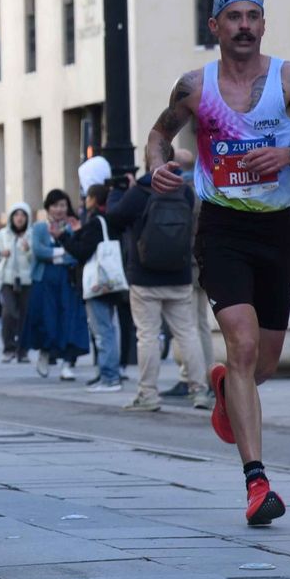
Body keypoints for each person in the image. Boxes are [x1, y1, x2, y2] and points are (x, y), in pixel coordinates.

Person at [147, 0, 290, 526]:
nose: (244, 27)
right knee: (238, 345)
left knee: (260, 365)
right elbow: (158, 135)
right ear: (214, 26)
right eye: (233, 18)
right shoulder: (195, 86)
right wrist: (157, 167)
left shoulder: (289, 79)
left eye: (252, 17)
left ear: (263, 24)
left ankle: (225, 387)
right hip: (220, 229)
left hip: (277, 232)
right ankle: (257, 483)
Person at [107, 147, 210, 412]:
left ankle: (148, 395)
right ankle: (200, 391)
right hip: (179, 273)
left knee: (148, 335)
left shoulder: (141, 191)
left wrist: (120, 192)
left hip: (145, 275)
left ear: (147, 162)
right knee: (187, 333)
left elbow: (115, 218)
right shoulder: (185, 191)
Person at [58, 182, 124, 393]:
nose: (85, 201)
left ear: (94, 199)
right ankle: (107, 374)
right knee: (108, 330)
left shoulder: (96, 222)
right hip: (109, 282)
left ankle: (110, 377)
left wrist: (63, 237)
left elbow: (81, 252)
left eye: (87, 197)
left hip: (98, 283)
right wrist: (78, 231)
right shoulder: (107, 221)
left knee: (103, 332)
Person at [22, 190, 89, 380]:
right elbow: (39, 251)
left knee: (70, 320)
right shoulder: (39, 228)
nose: (59, 209)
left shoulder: (73, 227)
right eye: (55, 205)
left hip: (68, 281)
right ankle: (45, 353)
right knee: (46, 320)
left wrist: (56, 254)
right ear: (48, 208)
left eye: (62, 205)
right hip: (44, 282)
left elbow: (76, 253)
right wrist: (62, 252)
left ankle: (68, 364)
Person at [0, 204, 33, 363]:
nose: (19, 218)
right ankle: (8, 348)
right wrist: (1, 254)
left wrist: (28, 250)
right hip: (7, 279)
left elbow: (36, 258)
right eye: (16, 214)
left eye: (22, 215)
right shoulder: (2, 234)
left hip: (26, 280)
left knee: (25, 315)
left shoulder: (31, 235)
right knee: (9, 312)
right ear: (11, 217)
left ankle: (22, 351)